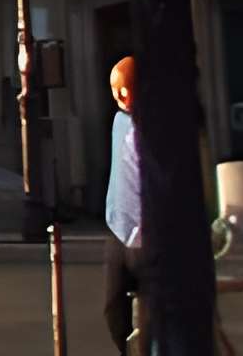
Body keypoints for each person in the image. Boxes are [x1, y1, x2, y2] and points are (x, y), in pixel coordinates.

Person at [105, 56, 145, 353]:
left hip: (150, 231)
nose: (120, 96)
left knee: (153, 308)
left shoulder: (157, 128)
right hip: (118, 228)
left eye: (125, 88)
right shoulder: (120, 120)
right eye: (115, 90)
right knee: (113, 307)